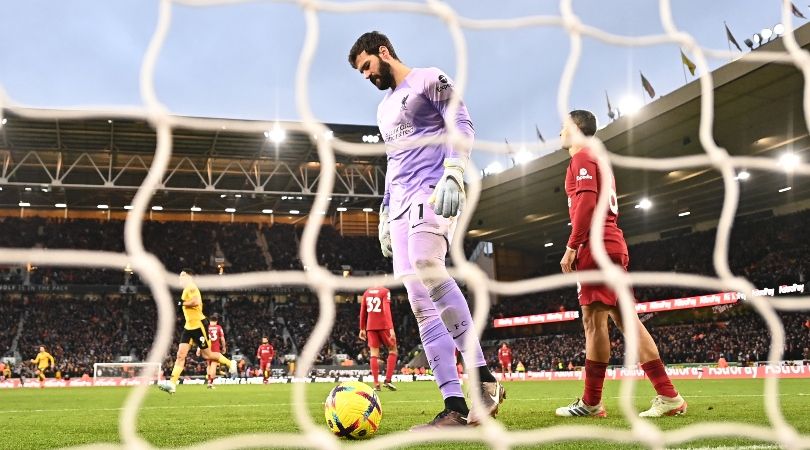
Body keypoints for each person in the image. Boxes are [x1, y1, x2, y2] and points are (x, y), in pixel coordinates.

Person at [348, 31, 504, 429]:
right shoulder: (383, 110)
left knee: (426, 263)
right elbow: (394, 162)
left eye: (367, 66)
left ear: (383, 53)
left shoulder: (428, 79)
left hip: (434, 191)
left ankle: (483, 379)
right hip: (399, 205)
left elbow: (462, 121)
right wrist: (384, 212)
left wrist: (454, 171)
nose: (366, 76)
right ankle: (453, 404)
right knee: (419, 301)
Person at [555, 110, 687, 418]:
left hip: (596, 247)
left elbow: (587, 204)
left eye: (564, 127)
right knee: (627, 322)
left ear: (576, 129)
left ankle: (591, 403)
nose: (560, 132)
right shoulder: (597, 159)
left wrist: (572, 246)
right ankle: (669, 396)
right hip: (610, 244)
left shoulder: (583, 158)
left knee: (594, 324)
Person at [158, 269, 236, 394]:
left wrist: (181, 303)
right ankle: (172, 384)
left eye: (182, 275)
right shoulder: (185, 290)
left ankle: (230, 363)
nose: (180, 278)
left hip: (199, 326)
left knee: (208, 355)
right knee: (180, 355)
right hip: (188, 327)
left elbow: (196, 301)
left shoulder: (191, 287)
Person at [358, 286, 398, 391]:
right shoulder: (385, 291)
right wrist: (391, 328)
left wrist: (362, 328)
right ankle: (388, 380)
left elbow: (363, 311)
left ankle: (376, 384)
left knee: (374, 354)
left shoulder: (366, 292)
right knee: (393, 349)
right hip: (384, 325)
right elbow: (386, 310)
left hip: (370, 326)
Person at [196, 313, 227, 389]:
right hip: (215, 349)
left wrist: (198, 349)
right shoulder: (219, 327)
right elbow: (222, 339)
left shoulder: (206, 328)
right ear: (216, 321)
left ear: (210, 321)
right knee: (213, 365)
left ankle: (209, 381)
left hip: (207, 349)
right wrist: (224, 347)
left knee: (208, 365)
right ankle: (211, 382)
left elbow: (202, 339)